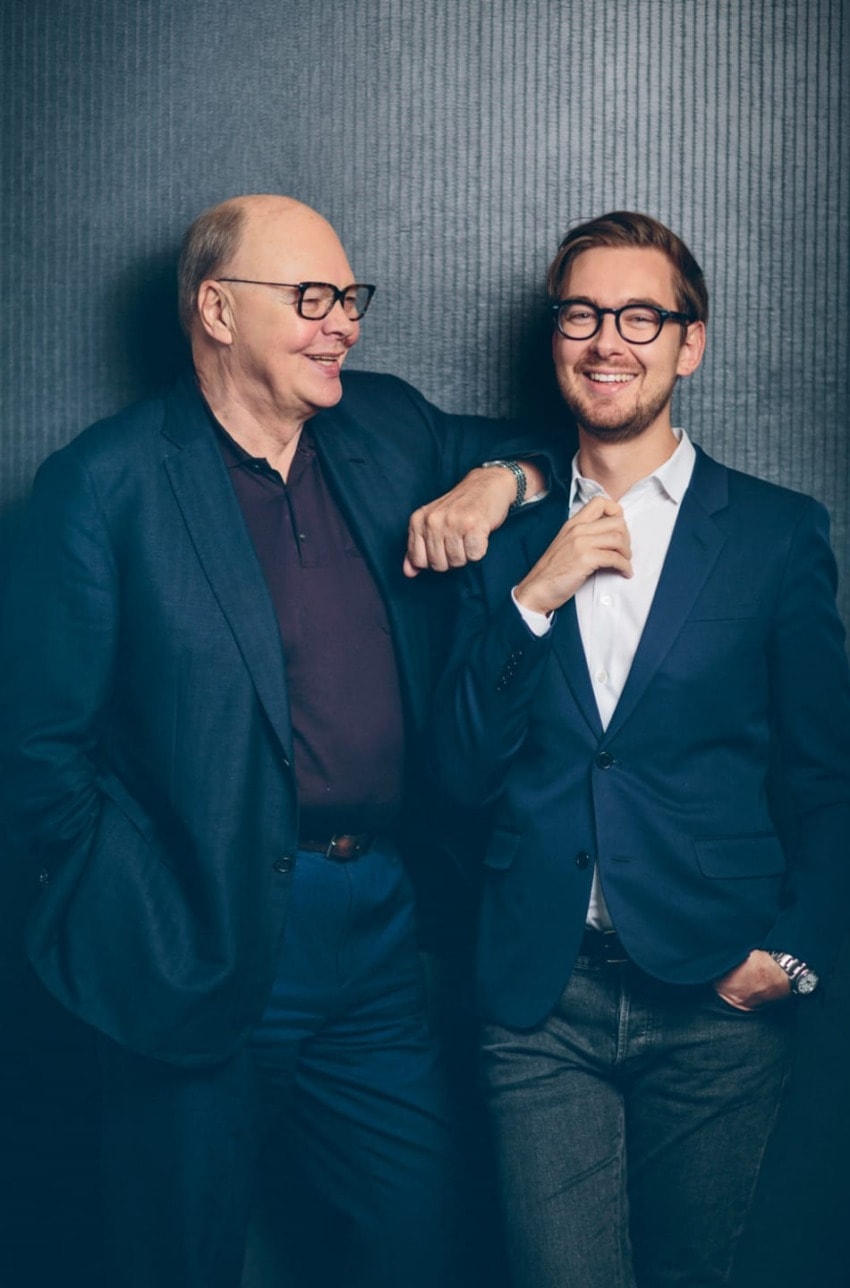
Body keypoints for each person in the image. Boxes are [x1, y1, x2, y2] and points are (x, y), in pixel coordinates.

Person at [0, 193, 548, 1288]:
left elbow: (541, 448)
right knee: (175, 1258)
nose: (341, 321)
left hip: (382, 933)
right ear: (215, 309)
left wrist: (497, 480)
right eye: (310, 297)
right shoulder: (101, 486)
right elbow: (31, 758)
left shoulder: (386, 428)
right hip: (198, 931)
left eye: (349, 297)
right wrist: (137, 924)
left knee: (417, 1247)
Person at [428, 211, 850, 1287]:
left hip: (715, 999)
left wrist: (789, 955)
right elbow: (456, 774)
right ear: (555, 335)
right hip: (539, 1004)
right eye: (581, 313)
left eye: (637, 316)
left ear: (687, 342)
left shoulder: (775, 534)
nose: (605, 340)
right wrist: (531, 599)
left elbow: (826, 774)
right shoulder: (504, 539)